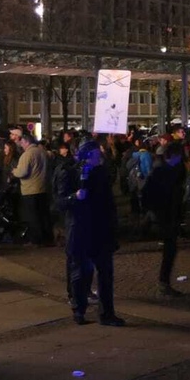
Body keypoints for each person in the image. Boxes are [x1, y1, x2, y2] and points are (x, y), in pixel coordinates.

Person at [56, 139, 124, 326]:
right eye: (95, 154)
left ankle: (107, 313)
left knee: (105, 274)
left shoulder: (101, 173)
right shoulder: (69, 172)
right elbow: (60, 202)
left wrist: (113, 230)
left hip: (101, 230)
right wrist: (74, 197)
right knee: (81, 273)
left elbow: (109, 205)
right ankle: (79, 310)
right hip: (81, 230)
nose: (98, 157)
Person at [141, 141, 187, 296]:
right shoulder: (162, 172)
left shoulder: (164, 170)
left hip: (167, 215)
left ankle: (164, 281)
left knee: (170, 249)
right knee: (169, 249)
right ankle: (164, 282)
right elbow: (148, 195)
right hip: (165, 216)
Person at [12, 132, 53, 246]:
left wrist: (14, 171)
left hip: (30, 189)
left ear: (26, 142)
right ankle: (47, 238)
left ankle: (36, 240)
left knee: (33, 217)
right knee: (44, 215)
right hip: (43, 187)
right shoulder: (42, 152)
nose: (21, 145)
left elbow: (22, 172)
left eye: (22, 143)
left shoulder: (27, 155)